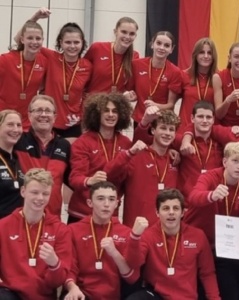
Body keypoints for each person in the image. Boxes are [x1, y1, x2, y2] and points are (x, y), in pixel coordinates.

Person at [186, 141, 239, 300]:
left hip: (223, 247)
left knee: (232, 290)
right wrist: (211, 195)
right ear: (225, 162)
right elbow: (193, 197)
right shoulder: (210, 177)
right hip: (197, 243)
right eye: (235, 161)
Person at [126, 189, 220, 300]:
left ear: (183, 213)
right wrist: (134, 237)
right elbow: (133, 263)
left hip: (186, 297)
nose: (171, 212)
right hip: (156, 295)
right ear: (157, 212)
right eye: (166, 208)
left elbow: (207, 273)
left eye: (175, 208)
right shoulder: (148, 236)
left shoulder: (198, 236)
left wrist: (215, 298)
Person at [0, 168, 71, 299]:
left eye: (45, 194)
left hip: (44, 295)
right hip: (10, 293)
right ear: (23, 191)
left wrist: (54, 263)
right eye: (34, 192)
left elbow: (58, 281)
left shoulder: (60, 230)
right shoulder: (3, 226)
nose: (40, 198)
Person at [104, 110, 180, 226]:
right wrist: (128, 154)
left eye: (171, 129)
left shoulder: (175, 160)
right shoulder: (136, 155)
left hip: (165, 232)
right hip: (136, 229)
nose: (167, 133)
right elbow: (108, 176)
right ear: (153, 130)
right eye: (163, 128)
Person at [64, 181, 137, 300]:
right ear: (90, 203)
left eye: (111, 199)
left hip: (114, 295)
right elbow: (70, 267)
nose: (106, 204)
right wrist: (72, 287)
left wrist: (114, 253)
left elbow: (131, 277)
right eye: (100, 198)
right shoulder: (72, 230)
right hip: (82, 294)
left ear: (117, 204)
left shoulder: (126, 233)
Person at [28, 8, 92, 141]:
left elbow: (87, 94)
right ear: (61, 43)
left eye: (76, 42)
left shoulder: (87, 66)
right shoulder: (51, 57)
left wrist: (83, 118)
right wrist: (35, 17)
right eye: (68, 42)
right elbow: (23, 41)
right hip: (48, 121)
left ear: (82, 43)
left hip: (73, 123)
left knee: (70, 160)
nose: (72, 46)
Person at [68, 93, 133, 223]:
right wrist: (89, 180)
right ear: (96, 114)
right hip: (83, 213)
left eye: (115, 111)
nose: (111, 114)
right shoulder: (83, 142)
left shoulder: (125, 143)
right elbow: (75, 178)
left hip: (110, 213)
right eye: (106, 111)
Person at [15, 95, 71, 216]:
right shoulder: (17, 141)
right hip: (22, 215)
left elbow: (73, 179)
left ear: (55, 117)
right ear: (29, 115)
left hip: (53, 216)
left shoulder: (64, 145)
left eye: (48, 111)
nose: (44, 115)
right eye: (38, 110)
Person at [0, 21, 48, 130]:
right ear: (22, 40)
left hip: (25, 121)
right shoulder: (6, 60)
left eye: (38, 38)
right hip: (2, 117)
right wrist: (36, 17)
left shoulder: (44, 62)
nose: (34, 42)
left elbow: (44, 87)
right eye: (30, 38)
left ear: (42, 40)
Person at [128, 31, 182, 126]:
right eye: (158, 43)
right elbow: (130, 90)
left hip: (161, 121)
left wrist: (156, 106)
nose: (161, 48)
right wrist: (129, 95)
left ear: (171, 49)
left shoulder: (175, 72)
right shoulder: (137, 65)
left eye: (166, 45)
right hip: (140, 119)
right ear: (152, 44)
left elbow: (171, 105)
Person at [176, 101, 226, 197]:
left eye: (208, 117)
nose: (204, 120)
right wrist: (171, 150)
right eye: (200, 116)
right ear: (192, 118)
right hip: (187, 201)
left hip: (212, 199)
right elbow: (156, 142)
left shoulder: (220, 144)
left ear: (213, 120)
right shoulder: (182, 141)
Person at [84, 17, 139, 94]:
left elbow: (130, 86)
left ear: (135, 36)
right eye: (124, 32)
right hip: (94, 103)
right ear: (115, 32)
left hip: (116, 104)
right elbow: (82, 74)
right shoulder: (97, 48)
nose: (127, 37)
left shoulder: (134, 56)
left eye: (132, 34)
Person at [179, 37, 218, 126]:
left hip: (209, 129)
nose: (206, 56)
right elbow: (170, 103)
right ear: (195, 55)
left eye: (209, 53)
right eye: (201, 52)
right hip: (185, 128)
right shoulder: (183, 75)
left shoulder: (219, 78)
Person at [0, 110, 25, 218]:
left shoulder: (17, 158)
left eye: (19, 125)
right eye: (10, 124)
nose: (16, 129)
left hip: (14, 227)